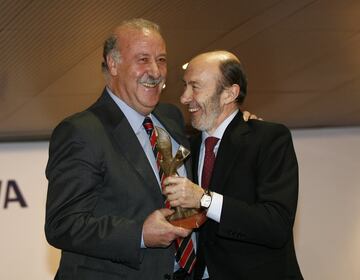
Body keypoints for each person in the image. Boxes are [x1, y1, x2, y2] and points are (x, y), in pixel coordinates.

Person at [45, 18, 193, 280]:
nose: (156, 71)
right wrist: (139, 235)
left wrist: (242, 126)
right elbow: (63, 224)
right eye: (143, 59)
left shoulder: (172, 118)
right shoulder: (82, 131)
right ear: (113, 64)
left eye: (161, 60)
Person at [163, 51, 303, 279]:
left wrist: (205, 199)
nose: (184, 97)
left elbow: (276, 225)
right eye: (185, 86)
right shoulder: (186, 148)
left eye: (195, 87)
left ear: (229, 93)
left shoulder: (268, 139)